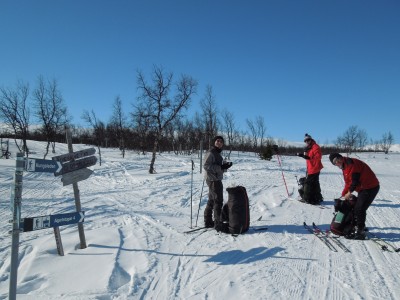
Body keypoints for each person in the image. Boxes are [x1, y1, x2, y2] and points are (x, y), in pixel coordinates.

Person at [329, 153, 380, 240]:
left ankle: (360, 231)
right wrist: (343, 194)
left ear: (340, 157)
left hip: (370, 187)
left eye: (337, 160)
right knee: (357, 207)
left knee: (359, 208)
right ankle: (358, 226)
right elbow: (348, 183)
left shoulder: (351, 164)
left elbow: (354, 182)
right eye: (334, 163)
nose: (337, 163)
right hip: (363, 188)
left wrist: (349, 193)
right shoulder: (344, 166)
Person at [203, 135, 232, 230]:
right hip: (213, 180)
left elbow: (217, 167)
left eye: (221, 141)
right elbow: (206, 166)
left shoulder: (217, 153)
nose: (219, 142)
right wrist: (221, 167)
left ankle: (208, 222)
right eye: (217, 141)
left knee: (212, 200)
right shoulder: (211, 152)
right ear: (214, 142)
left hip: (215, 179)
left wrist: (225, 166)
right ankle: (218, 223)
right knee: (218, 201)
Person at [296, 133, 324, 204]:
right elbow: (307, 157)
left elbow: (318, 157)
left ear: (311, 140)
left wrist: (307, 157)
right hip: (311, 168)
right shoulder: (309, 147)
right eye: (305, 141)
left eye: (308, 140)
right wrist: (303, 154)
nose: (307, 142)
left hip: (314, 168)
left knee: (308, 183)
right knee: (315, 183)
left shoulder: (315, 147)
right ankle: (318, 197)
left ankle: (306, 198)